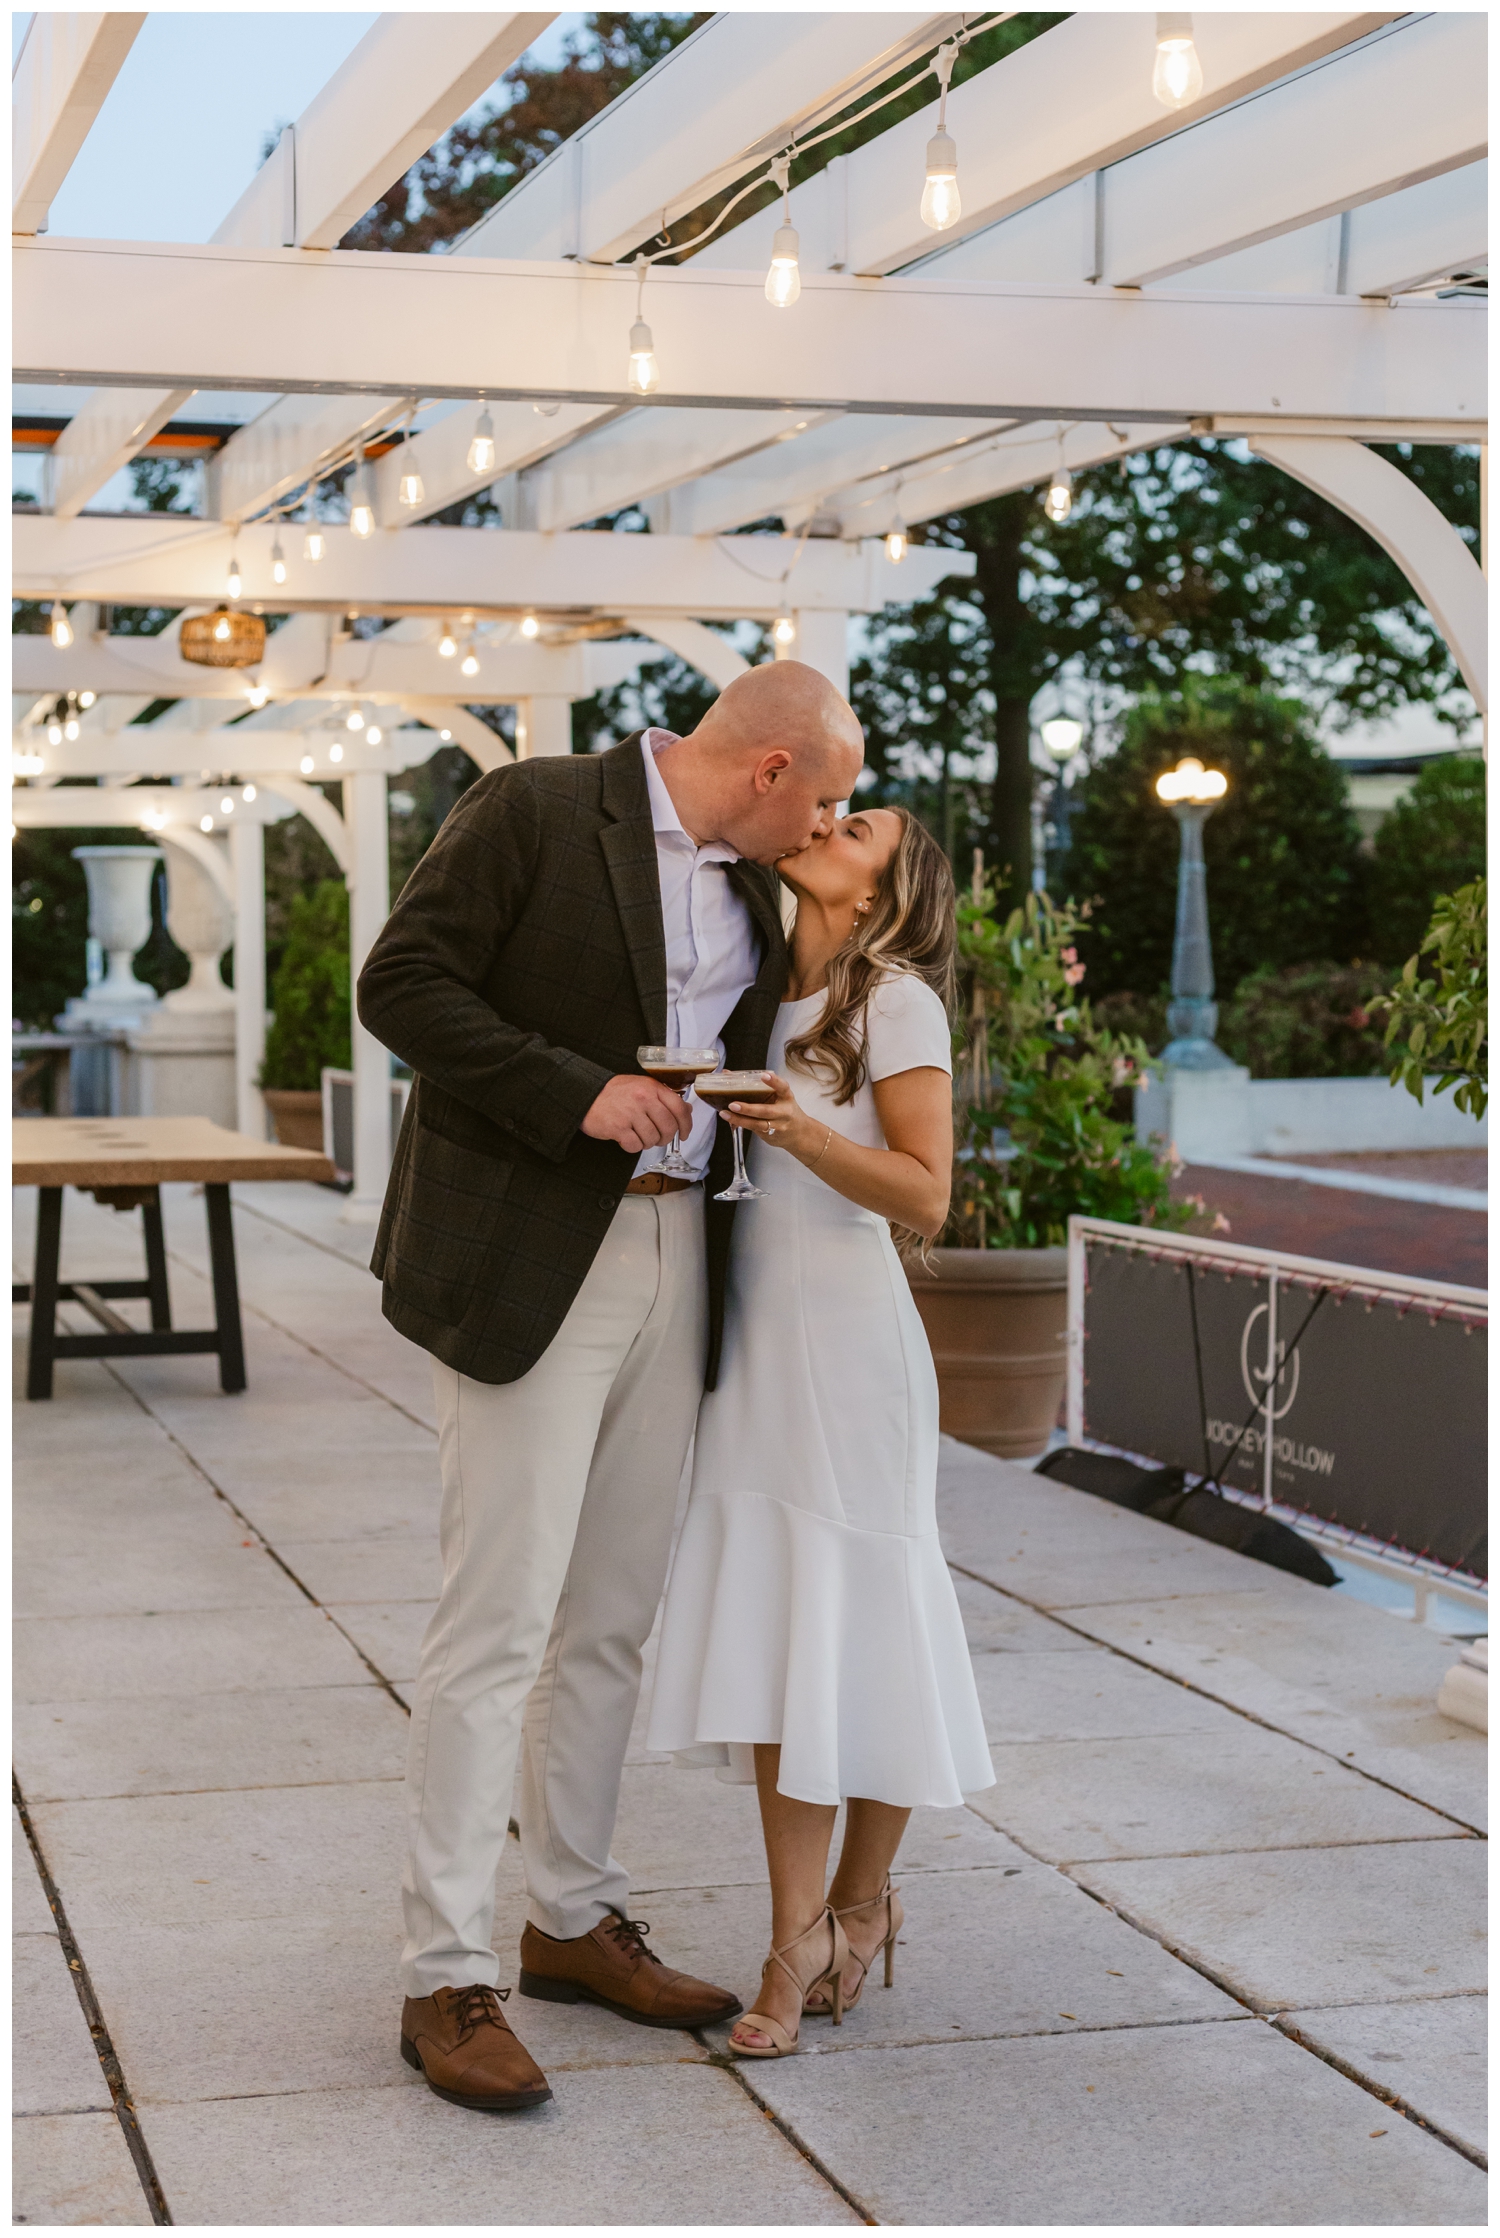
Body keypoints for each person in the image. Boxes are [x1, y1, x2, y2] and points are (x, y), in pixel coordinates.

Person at [356, 662, 865, 2112]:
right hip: (531, 1250)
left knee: (612, 1617)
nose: (826, 823)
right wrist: (570, 1088)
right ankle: (446, 1972)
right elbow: (399, 984)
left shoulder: (768, 890)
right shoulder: (532, 806)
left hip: (681, 1252)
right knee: (498, 1619)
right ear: (767, 768)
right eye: (820, 796)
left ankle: (571, 1919)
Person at [647, 804, 995, 2057]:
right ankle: (796, 1936)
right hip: (751, 1359)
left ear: (885, 892)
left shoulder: (895, 1001)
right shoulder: (750, 998)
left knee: (873, 1631)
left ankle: (855, 1910)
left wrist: (796, 1129)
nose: (825, 825)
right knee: (779, 1646)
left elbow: (925, 1191)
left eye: (858, 829)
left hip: (852, 1351)